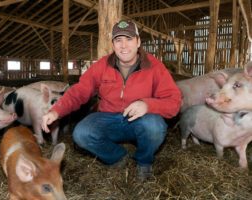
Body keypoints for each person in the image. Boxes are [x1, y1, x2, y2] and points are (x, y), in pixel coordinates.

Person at [41, 20, 181, 181]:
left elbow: (174, 102)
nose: (124, 46)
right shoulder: (102, 66)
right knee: (81, 133)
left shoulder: (154, 67)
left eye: (129, 39)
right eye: (118, 40)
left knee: (154, 127)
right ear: (113, 45)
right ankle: (117, 157)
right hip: (108, 119)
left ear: (138, 42)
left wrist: (147, 105)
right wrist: (56, 110)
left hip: (140, 120)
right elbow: (80, 90)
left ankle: (144, 162)